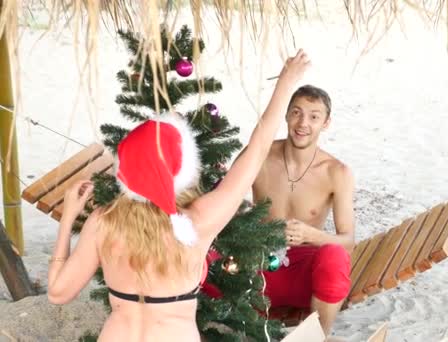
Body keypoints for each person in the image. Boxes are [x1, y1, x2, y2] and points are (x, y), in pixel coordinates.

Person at [46, 49, 311, 342]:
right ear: (182, 169)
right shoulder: (197, 221)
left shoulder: (102, 222)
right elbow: (258, 149)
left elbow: (58, 293)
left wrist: (68, 218)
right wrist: (286, 84)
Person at [252, 85, 356, 336]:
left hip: (304, 276)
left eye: (314, 116)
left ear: (326, 123)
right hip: (257, 269)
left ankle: (319, 336)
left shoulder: (336, 172)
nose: (303, 123)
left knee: (335, 256)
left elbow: (348, 241)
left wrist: (311, 235)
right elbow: (225, 199)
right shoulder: (259, 156)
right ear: (286, 115)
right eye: (296, 113)